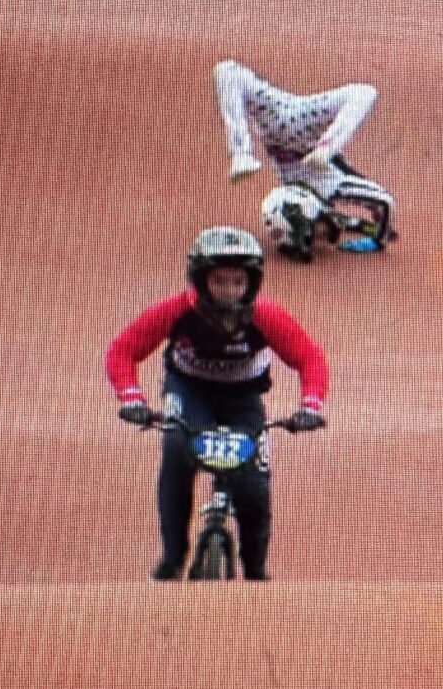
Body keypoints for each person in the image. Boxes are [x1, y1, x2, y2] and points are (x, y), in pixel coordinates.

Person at [105, 226, 328, 581]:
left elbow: (309, 358)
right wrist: (132, 398)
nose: (229, 291)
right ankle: (173, 558)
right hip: (190, 392)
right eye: (220, 281)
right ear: (200, 280)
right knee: (178, 451)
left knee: (253, 486)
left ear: (251, 283)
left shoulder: (266, 316)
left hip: (242, 400)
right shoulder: (176, 311)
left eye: (238, 282)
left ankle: (255, 570)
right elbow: (123, 351)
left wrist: (310, 405)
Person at [212, 58, 395, 260]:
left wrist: (379, 238)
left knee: (364, 92)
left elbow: (384, 203)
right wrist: (372, 233)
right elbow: (369, 209)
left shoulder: (316, 196)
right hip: (279, 128)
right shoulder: (292, 200)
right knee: (227, 72)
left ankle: (244, 155)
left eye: (312, 234)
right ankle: (242, 154)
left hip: (294, 124)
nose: (321, 237)